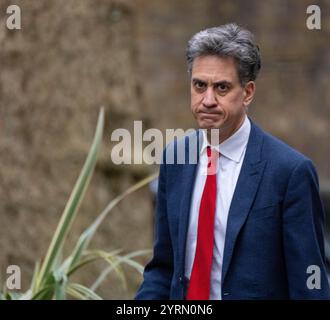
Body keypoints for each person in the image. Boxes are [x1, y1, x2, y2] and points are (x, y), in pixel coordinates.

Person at [135, 23, 330, 299]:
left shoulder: (290, 172)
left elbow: (310, 286)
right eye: (199, 85)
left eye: (222, 87)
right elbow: (164, 269)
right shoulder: (175, 158)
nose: (208, 100)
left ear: (248, 92)